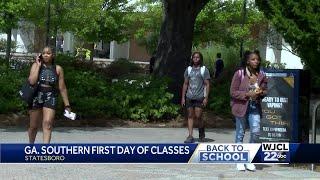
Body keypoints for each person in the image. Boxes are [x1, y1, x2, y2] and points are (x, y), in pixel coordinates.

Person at [230, 50, 267, 171]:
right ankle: (239, 160)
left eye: (257, 59)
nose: (256, 61)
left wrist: (261, 92)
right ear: (247, 61)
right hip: (241, 107)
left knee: (256, 133)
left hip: (255, 107)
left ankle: (249, 159)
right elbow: (233, 92)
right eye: (253, 59)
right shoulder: (239, 73)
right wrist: (247, 94)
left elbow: (265, 90)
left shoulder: (261, 74)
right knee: (240, 133)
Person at [27, 46, 71, 143]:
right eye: (44, 53)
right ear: (41, 55)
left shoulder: (58, 69)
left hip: (51, 96)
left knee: (47, 124)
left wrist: (67, 104)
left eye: (48, 53)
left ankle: (45, 152)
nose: (46, 55)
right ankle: (30, 148)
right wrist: (38, 65)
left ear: (52, 55)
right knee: (33, 126)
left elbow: (62, 88)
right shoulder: (35, 65)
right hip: (36, 95)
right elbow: (31, 81)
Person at [181, 52, 211, 143]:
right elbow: (185, 84)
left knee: (198, 116)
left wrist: (206, 97)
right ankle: (190, 136)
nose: (196, 59)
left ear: (200, 59)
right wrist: (183, 97)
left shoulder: (203, 69)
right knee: (190, 116)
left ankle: (201, 133)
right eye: (194, 57)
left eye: (197, 57)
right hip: (189, 96)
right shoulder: (189, 69)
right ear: (192, 58)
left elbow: (207, 84)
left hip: (199, 96)